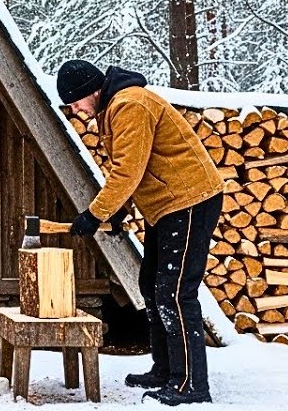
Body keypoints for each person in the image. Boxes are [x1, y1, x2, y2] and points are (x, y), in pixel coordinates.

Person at [57, 60, 224, 407]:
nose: (76, 111)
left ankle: (191, 384)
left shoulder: (129, 104)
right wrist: (120, 210)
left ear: (92, 90)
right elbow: (139, 168)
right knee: (152, 286)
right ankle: (165, 370)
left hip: (189, 200)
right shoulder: (115, 107)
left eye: (75, 103)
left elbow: (128, 171)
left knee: (175, 293)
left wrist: (95, 214)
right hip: (166, 204)